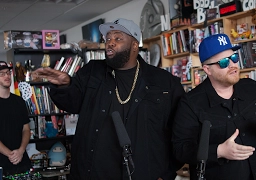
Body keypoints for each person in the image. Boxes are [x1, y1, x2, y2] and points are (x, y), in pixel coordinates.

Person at [32, 18, 185, 180]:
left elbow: (181, 130)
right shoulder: (92, 72)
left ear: (134, 45)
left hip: (143, 172)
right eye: (108, 39)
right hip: (95, 172)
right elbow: (72, 103)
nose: (110, 43)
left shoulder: (164, 82)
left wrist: (167, 174)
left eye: (118, 38)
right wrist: (65, 85)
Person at [172, 34, 256, 180]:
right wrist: (219, 151)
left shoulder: (251, 88)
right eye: (224, 62)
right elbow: (180, 149)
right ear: (207, 69)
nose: (233, 65)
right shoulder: (190, 103)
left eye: (234, 58)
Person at [0, 61, 31, 175]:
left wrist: (21, 150)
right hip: (2, 164)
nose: (7, 76)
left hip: (22, 161)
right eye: (2, 74)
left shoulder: (19, 101)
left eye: (8, 73)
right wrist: (10, 154)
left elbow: (26, 129)